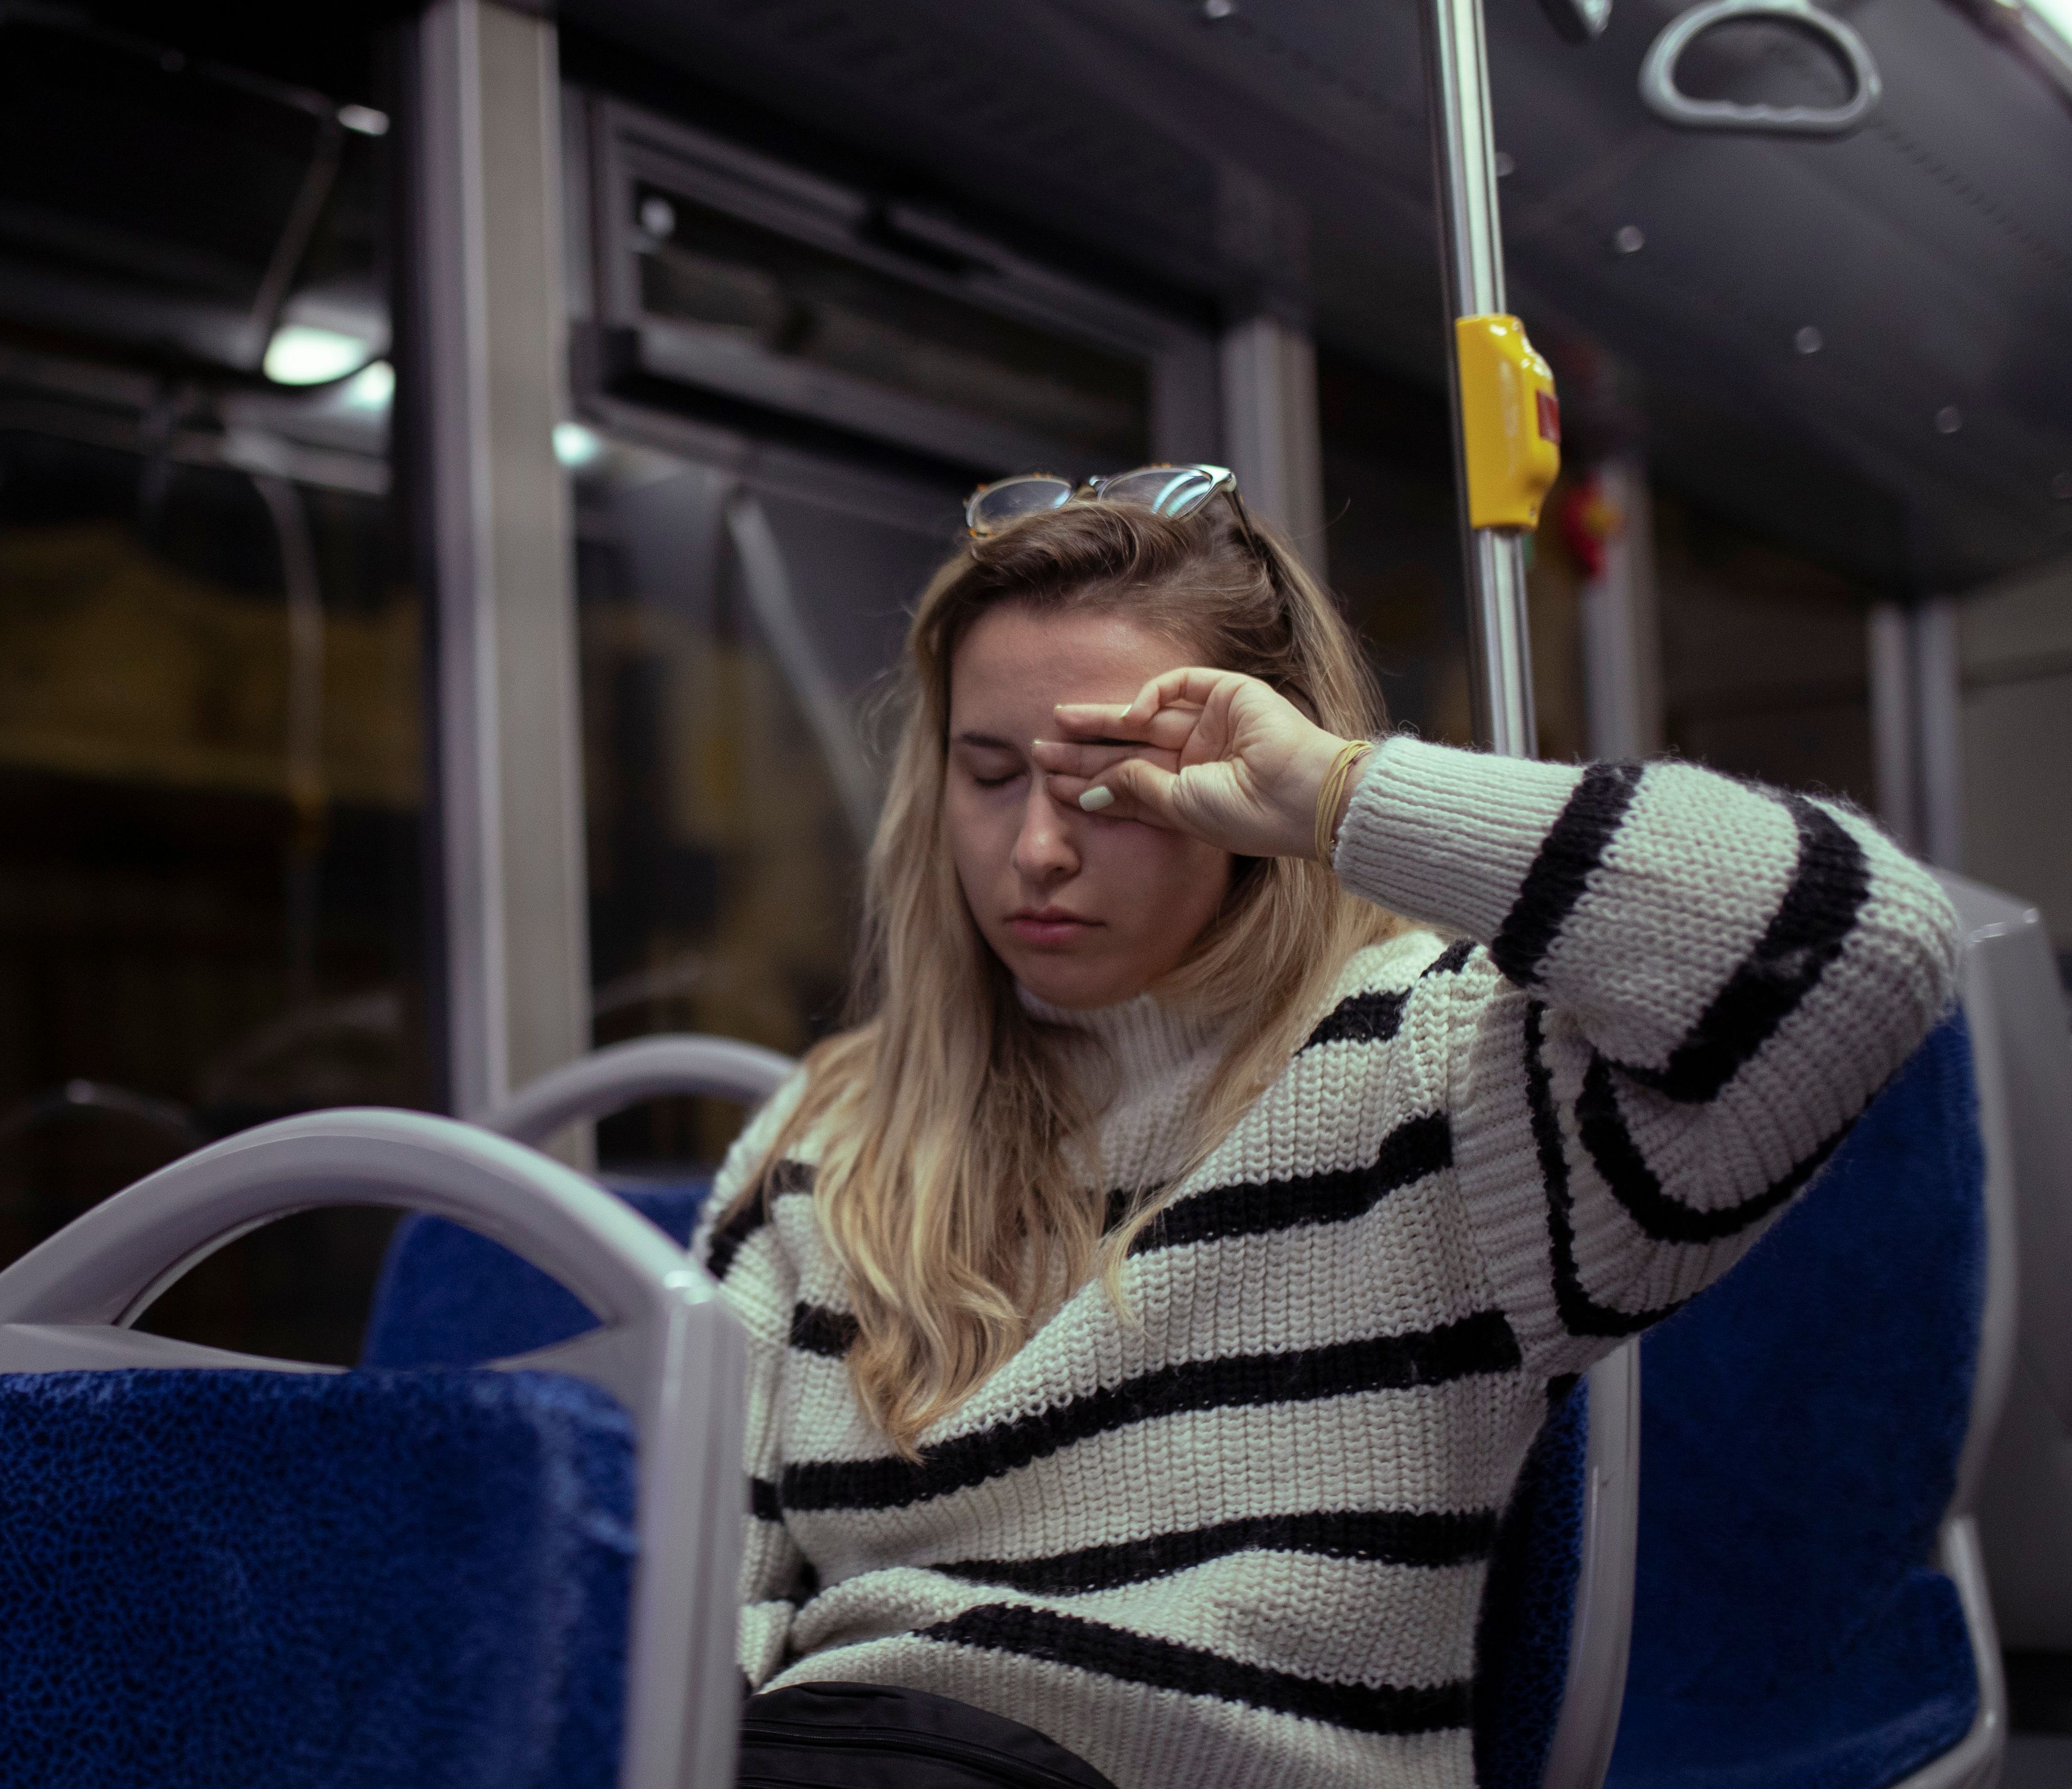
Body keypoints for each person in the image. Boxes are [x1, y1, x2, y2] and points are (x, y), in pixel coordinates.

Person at [705, 465, 1960, 1789]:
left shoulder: (1428, 1074)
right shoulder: (835, 1127)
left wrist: (1341, 801)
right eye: (991, 772)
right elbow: (697, 1569)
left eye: (1106, 781)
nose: (1035, 852)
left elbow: (1864, 947)